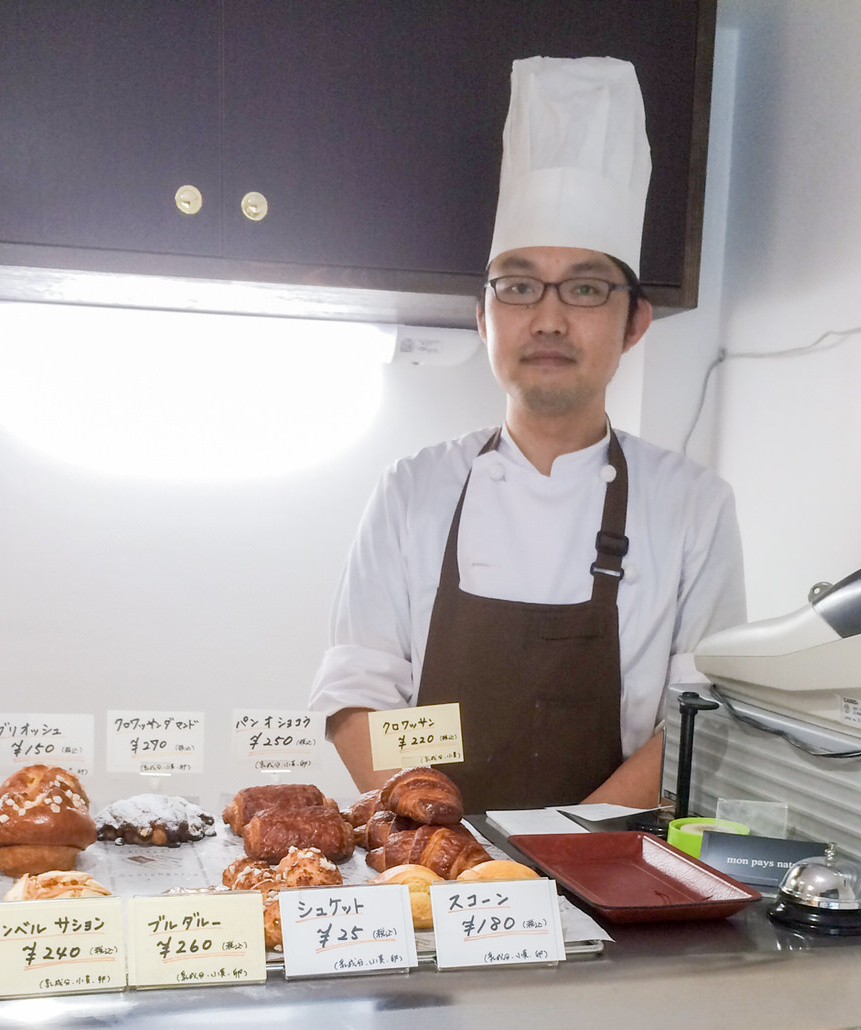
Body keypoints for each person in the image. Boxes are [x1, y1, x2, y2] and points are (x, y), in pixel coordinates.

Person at [309, 57, 745, 811]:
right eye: (516, 287)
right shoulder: (415, 488)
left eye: (584, 288)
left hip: (617, 871)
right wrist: (447, 839)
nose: (547, 318)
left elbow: (702, 720)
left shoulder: (693, 504)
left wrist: (571, 850)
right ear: (483, 318)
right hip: (435, 866)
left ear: (635, 321)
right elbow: (357, 690)